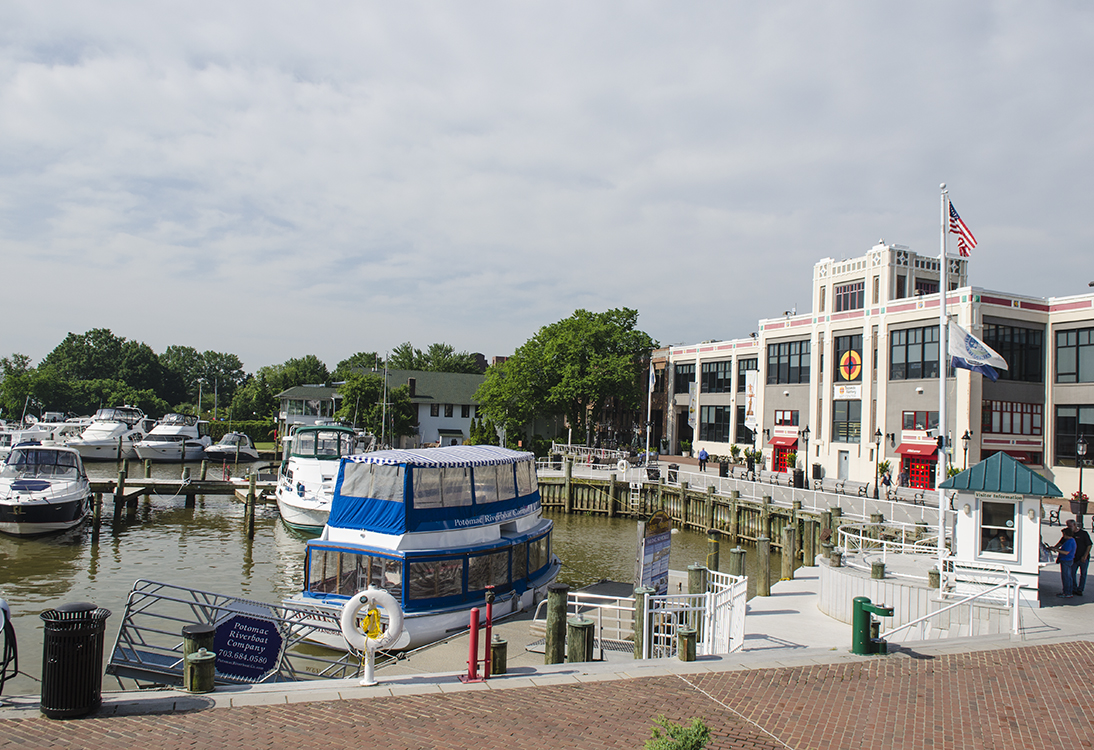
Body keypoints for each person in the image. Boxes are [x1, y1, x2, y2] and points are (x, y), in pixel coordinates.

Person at [1067, 519, 1092, 595]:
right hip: (1074, 558)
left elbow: (1089, 545)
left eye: (1070, 526)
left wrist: (1085, 556)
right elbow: (1062, 541)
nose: (1069, 528)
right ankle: (1074, 588)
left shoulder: (1083, 533)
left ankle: (1080, 589)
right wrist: (1054, 547)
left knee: (1083, 574)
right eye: (1068, 526)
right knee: (1072, 573)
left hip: (1083, 557)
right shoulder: (1070, 534)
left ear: (1074, 525)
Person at [1052, 528, 1077, 598]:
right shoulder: (1072, 541)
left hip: (1066, 560)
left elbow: (1066, 552)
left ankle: (1067, 592)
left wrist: (1057, 550)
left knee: (1066, 577)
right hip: (1068, 560)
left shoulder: (1069, 542)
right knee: (1068, 576)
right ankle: (1068, 591)